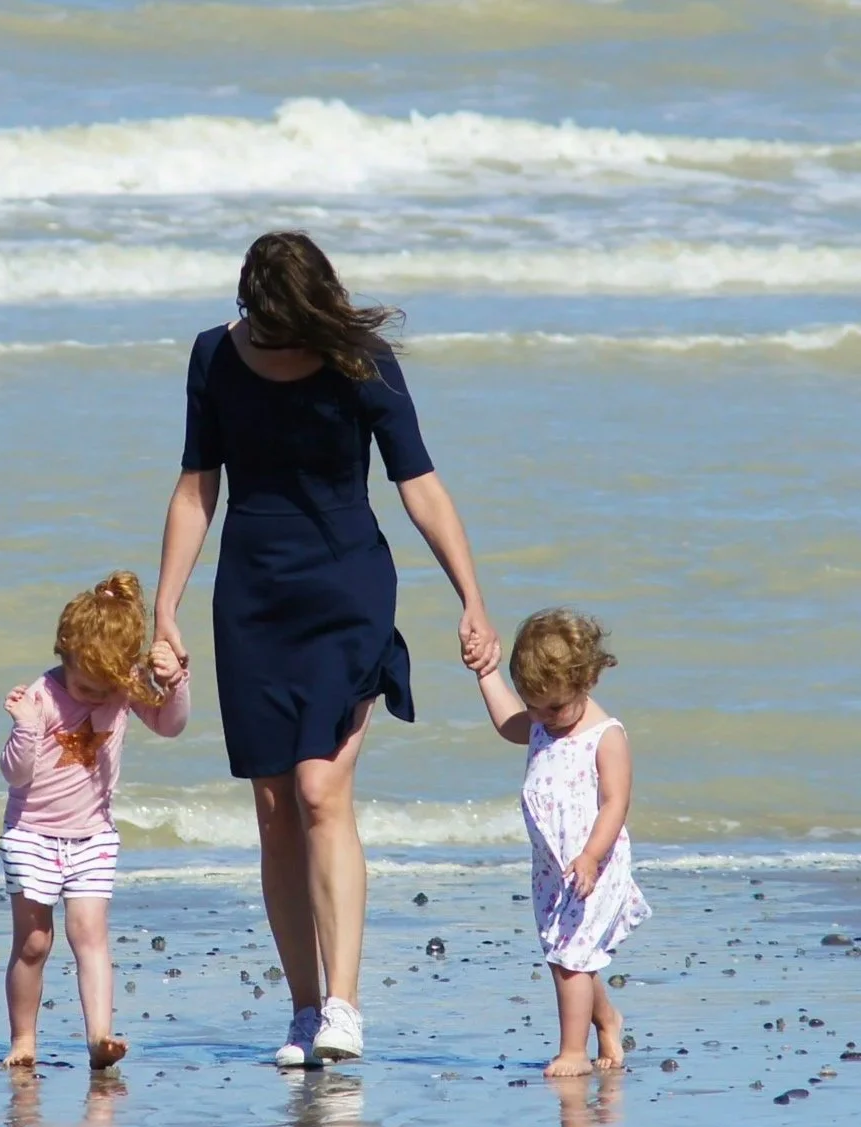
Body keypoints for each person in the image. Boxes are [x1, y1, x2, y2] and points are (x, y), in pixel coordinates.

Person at [153, 230, 499, 1067]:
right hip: (251, 598)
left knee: (317, 791)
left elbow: (418, 483)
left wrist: (471, 599)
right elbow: (199, 486)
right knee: (273, 809)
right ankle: (304, 1012)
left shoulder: (362, 361)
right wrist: (165, 607)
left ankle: (343, 1006)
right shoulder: (213, 357)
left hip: (345, 589)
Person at [0, 570, 189, 1070]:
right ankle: (23, 1040)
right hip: (31, 833)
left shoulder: (122, 688)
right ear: (65, 651)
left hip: (93, 836)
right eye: (86, 685)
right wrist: (24, 728)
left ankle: (99, 1038)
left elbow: (171, 725)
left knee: (90, 935)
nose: (95, 698)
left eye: (107, 688)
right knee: (34, 942)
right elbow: (15, 776)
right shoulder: (40, 696)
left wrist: (174, 681)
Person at [477, 608, 651, 1078]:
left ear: (586, 681)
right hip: (552, 867)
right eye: (533, 705)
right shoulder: (540, 720)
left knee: (571, 960)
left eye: (553, 708)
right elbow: (507, 723)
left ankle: (572, 1051)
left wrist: (592, 856)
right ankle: (607, 1019)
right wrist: (486, 673)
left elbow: (616, 803)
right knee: (565, 956)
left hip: (593, 864)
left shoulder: (604, 735)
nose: (542, 719)